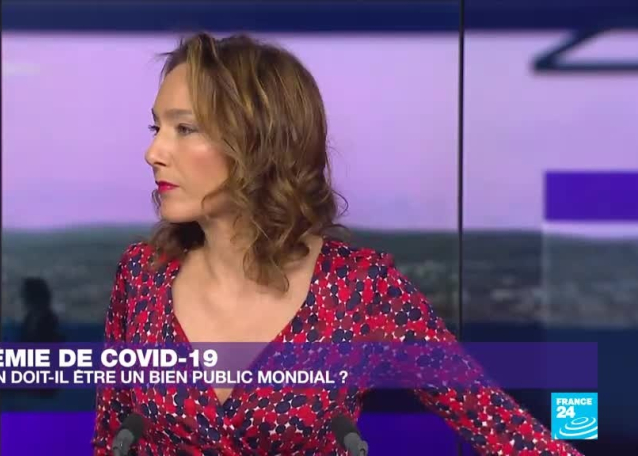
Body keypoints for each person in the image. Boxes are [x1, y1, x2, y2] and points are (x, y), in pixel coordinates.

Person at [93, 33, 583, 455]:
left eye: (185, 128)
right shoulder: (142, 276)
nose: (153, 152)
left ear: (259, 140)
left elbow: (502, 429)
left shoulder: (361, 290)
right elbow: (110, 437)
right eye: (157, 127)